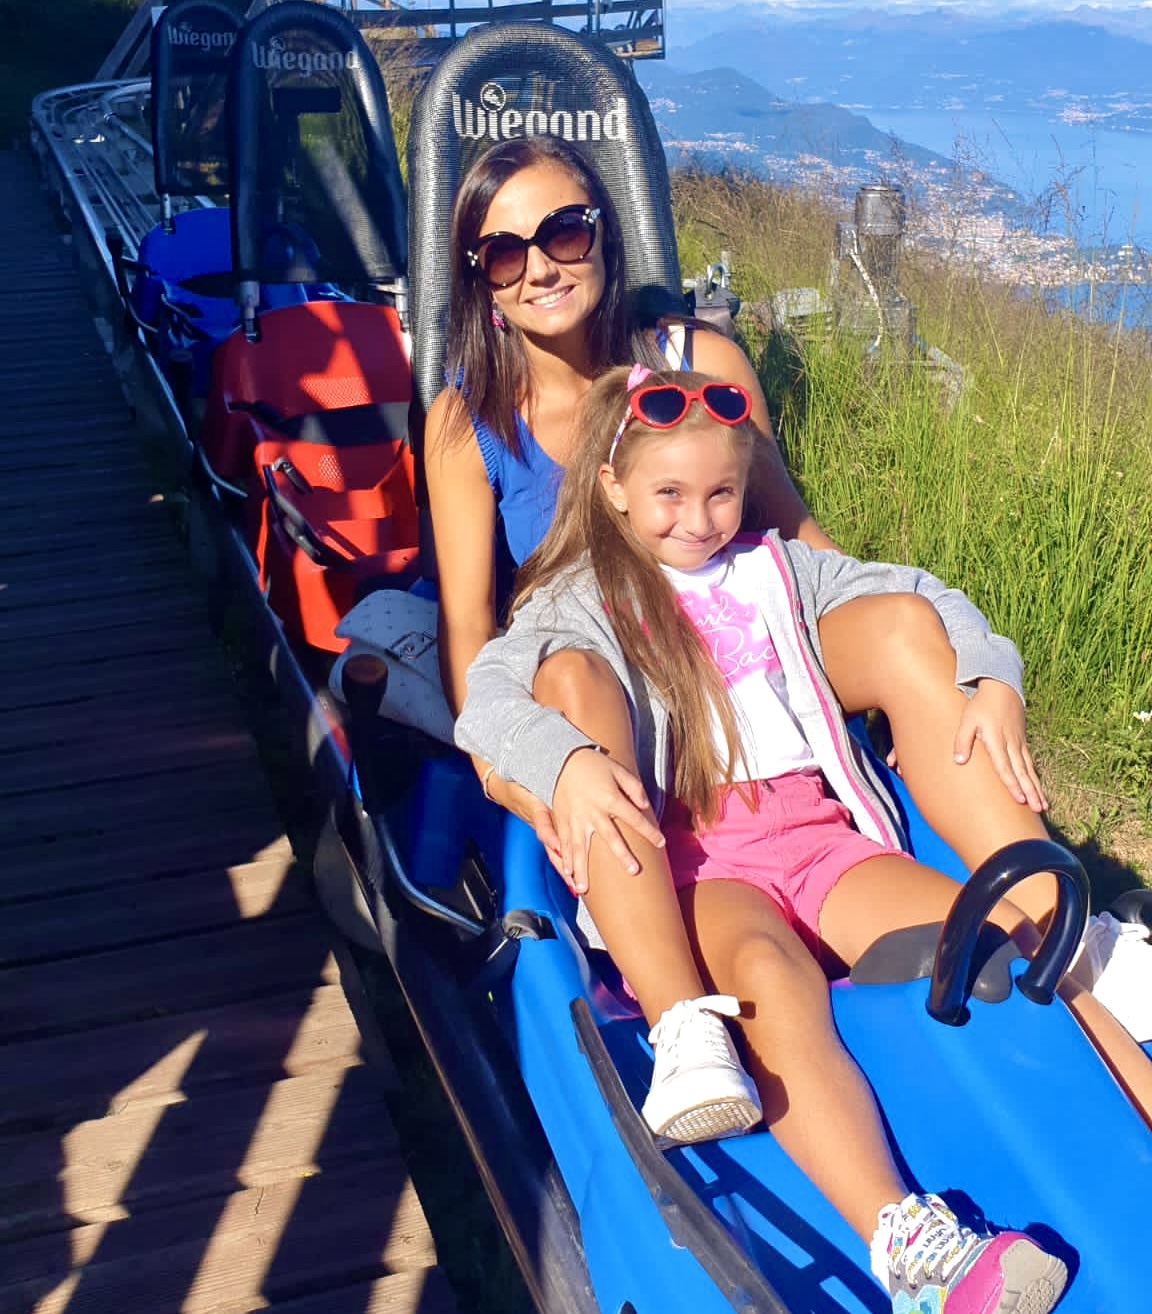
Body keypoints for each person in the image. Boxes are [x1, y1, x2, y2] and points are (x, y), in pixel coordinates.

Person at [422, 134, 1152, 1067]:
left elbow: (792, 541)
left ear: (603, 234)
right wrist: (519, 774)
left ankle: (1067, 927)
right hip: (622, 692)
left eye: (564, 232)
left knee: (897, 627)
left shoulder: (700, 363)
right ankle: (687, 1020)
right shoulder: (469, 422)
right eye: (505, 251)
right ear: (480, 277)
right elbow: (471, 633)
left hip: (740, 646)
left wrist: (961, 664)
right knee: (575, 674)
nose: (541, 268)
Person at [455, 365, 1075, 1314]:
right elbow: (491, 699)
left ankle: (1107, 1114)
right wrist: (564, 759)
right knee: (770, 980)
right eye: (669, 494)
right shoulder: (578, 600)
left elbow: (920, 593)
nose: (698, 520)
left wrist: (992, 675)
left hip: (819, 836)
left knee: (985, 935)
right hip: (702, 855)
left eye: (720, 493)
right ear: (614, 488)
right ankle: (906, 1242)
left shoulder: (777, 566)